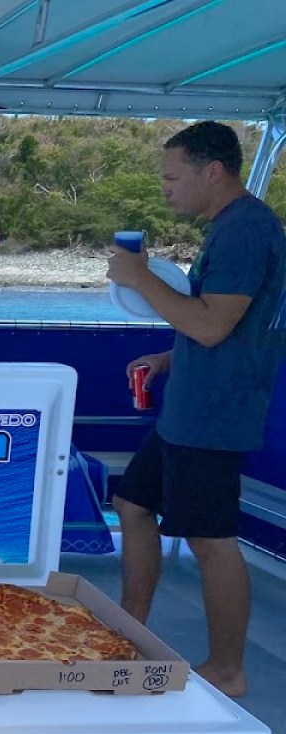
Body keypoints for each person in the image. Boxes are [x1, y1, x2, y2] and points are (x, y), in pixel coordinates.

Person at [107, 121, 286, 698]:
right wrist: (168, 356)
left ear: (213, 171)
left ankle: (228, 670)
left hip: (213, 416)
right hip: (189, 407)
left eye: (172, 177)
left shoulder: (246, 231)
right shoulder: (231, 228)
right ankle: (130, 627)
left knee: (212, 542)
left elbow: (211, 326)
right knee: (132, 502)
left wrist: (138, 277)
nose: (166, 189)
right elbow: (220, 324)